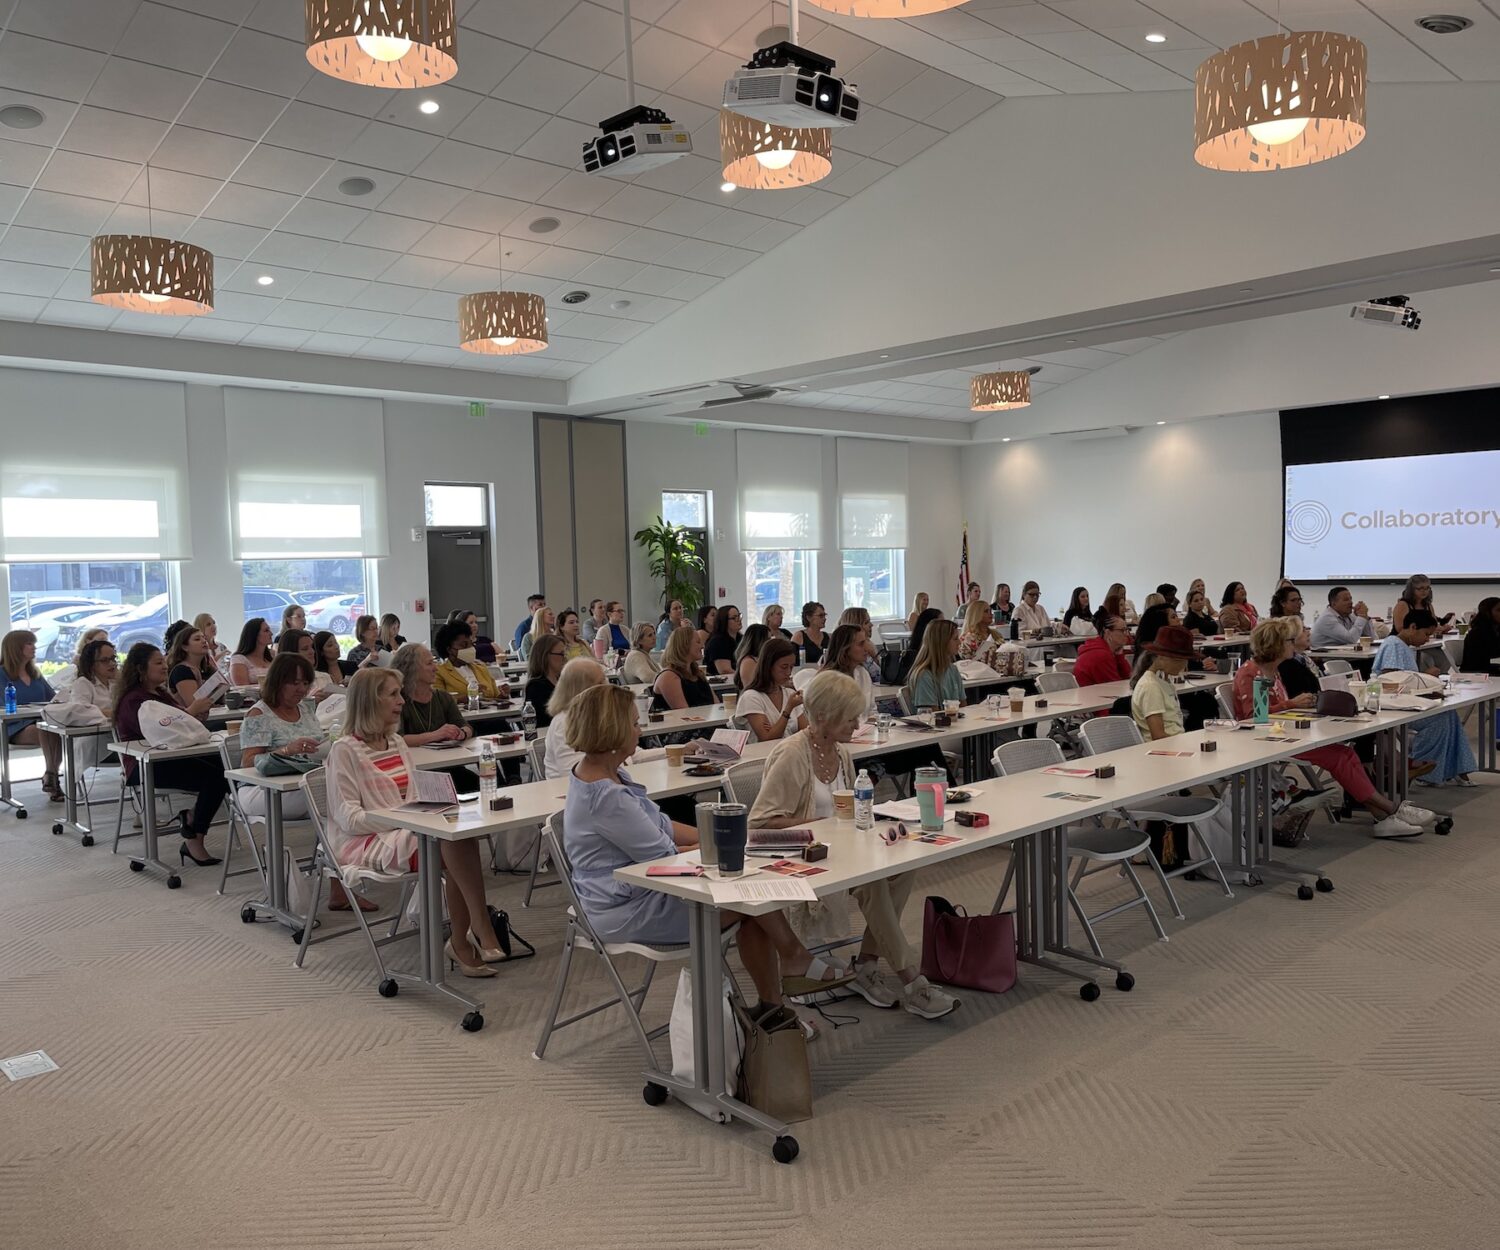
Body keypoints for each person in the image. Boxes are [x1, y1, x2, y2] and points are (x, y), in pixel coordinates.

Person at [564, 682, 848, 1016]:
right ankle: (789, 971)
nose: (639, 730)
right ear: (611, 732)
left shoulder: (611, 776)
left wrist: (717, 836)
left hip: (640, 889)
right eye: (634, 723)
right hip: (627, 907)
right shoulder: (607, 798)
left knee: (752, 897)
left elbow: (662, 825)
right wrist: (719, 844)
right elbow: (664, 855)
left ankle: (778, 999)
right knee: (751, 898)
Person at [751, 671, 958, 1019]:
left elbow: (851, 813)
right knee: (875, 881)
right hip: (802, 856)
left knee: (903, 868)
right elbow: (757, 826)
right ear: (822, 719)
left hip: (841, 851)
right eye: (849, 718)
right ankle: (912, 982)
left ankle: (866, 964)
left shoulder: (840, 753)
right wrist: (823, 827)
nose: (857, 724)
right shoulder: (791, 756)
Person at [326, 669, 505, 976]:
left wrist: (432, 807)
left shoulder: (396, 742)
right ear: (370, 701)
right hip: (366, 841)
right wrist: (406, 818)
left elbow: (415, 793)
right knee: (450, 840)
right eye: (393, 694)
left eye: (400, 692)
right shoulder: (344, 750)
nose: (402, 700)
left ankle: (466, 936)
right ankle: (474, 930)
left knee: (455, 833)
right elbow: (349, 819)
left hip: (409, 828)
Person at [1237, 619, 1431, 834]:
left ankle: (1383, 817)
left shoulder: (1273, 671)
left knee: (1346, 754)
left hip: (1285, 731)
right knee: (1340, 757)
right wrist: (1291, 704)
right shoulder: (1252, 673)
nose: (1293, 645)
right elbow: (1254, 717)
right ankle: (1390, 809)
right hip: (1266, 741)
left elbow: (1273, 711)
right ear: (1277, 644)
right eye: (1290, 641)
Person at [111, 642, 229, 864]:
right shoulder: (133, 700)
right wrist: (191, 712)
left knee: (223, 766)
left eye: (164, 661)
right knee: (215, 777)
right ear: (140, 669)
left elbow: (180, 724)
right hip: (143, 766)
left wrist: (195, 716)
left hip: (174, 757)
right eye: (158, 663)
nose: (164, 666)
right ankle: (195, 835)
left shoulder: (161, 694)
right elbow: (160, 733)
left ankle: (194, 824)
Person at [1373, 608, 1475, 785]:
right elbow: (1390, 682)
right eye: (1426, 634)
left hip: (1407, 702)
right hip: (1395, 707)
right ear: (1413, 627)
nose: (1427, 639)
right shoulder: (1393, 645)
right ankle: (1422, 768)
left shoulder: (1403, 646)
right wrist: (1425, 677)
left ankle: (1454, 767)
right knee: (1439, 720)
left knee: (1449, 713)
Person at [389, 643, 478, 795]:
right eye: (429, 663)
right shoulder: (399, 701)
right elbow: (398, 739)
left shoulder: (443, 697)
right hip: (416, 774)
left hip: (449, 768)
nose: (436, 668)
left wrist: (460, 733)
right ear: (412, 668)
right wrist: (437, 735)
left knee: (482, 784)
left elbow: (466, 727)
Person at [2, 630, 64, 801]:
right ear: (15, 648)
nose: (34, 647)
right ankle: (52, 777)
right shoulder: (2, 674)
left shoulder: (35, 674)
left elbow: (53, 698)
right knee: (47, 730)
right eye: (29, 643)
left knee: (53, 729)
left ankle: (51, 775)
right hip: (14, 726)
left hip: (40, 721)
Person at [542, 657, 606, 779]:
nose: (607, 687)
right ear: (584, 689)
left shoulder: (599, 713)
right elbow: (575, 773)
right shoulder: (564, 723)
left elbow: (633, 755)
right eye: (600, 682)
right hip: (571, 792)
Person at [737, 638, 805, 741]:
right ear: (768, 665)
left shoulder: (789, 693)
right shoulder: (751, 697)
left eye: (791, 667)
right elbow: (767, 737)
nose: (788, 673)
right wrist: (788, 708)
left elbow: (806, 731)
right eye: (784, 667)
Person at [432, 621, 503, 702]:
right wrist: (469, 696)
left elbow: (495, 695)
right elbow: (438, 701)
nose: (470, 648)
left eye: (471, 644)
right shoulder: (439, 672)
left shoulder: (481, 667)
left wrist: (502, 694)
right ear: (449, 649)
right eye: (464, 645)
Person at [651, 626, 716, 711]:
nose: (702, 646)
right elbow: (684, 713)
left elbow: (716, 705)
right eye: (698, 642)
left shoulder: (698, 673)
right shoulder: (669, 677)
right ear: (685, 645)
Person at [820, 624, 877, 718]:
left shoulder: (862, 673)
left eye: (866, 642)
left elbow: (872, 712)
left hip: (865, 730)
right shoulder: (828, 680)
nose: (867, 648)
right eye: (861, 644)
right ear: (845, 649)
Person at [907, 618, 963, 708]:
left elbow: (963, 707)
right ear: (942, 642)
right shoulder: (924, 675)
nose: (959, 642)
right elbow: (931, 716)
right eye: (955, 639)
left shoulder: (953, 669)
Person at [165, 626, 220, 709]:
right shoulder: (181, 671)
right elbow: (193, 704)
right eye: (197, 639)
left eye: (204, 638)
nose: (204, 641)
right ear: (185, 647)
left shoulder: (207, 669)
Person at [1073, 612, 1132, 686]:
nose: (1127, 634)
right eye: (1122, 630)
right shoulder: (1101, 655)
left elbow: (1128, 678)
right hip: (1092, 696)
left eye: (1127, 629)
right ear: (1108, 632)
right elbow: (1116, 687)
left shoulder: (1105, 650)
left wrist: (1119, 656)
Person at [524, 635, 567, 729]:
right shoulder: (535, 686)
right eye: (561, 654)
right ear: (546, 656)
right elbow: (548, 718)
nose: (565, 658)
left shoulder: (563, 681)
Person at [957, 600, 1004, 668]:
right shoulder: (968, 638)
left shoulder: (996, 633)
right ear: (976, 614)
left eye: (990, 611)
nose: (990, 613)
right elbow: (966, 661)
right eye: (986, 611)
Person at [1459, 596, 1500, 674]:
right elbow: (1490, 655)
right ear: (1487, 613)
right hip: (1476, 673)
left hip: (1487, 668)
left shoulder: (1496, 629)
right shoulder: (1478, 633)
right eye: (1499, 610)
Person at [229, 618, 274, 686]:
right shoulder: (239, 659)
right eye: (266, 630)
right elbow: (243, 688)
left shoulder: (273, 655)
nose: (271, 633)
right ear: (254, 635)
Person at [703, 603, 742, 676]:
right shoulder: (717, 642)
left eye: (739, 616)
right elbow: (724, 670)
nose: (739, 620)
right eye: (734, 618)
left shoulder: (741, 638)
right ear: (724, 621)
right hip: (722, 684)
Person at [734, 623, 771, 691]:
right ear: (759, 641)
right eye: (768, 639)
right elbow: (753, 687)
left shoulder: (761, 659)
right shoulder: (748, 662)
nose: (770, 643)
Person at [622, 622, 662, 686]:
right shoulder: (635, 655)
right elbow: (647, 677)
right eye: (650, 635)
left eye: (654, 633)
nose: (654, 637)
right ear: (639, 640)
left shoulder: (643, 654)